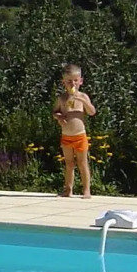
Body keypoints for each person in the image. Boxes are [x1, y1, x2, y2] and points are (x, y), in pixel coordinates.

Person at [52, 63, 96, 198]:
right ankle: (68, 189)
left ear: (81, 81)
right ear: (63, 82)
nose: (73, 84)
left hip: (79, 136)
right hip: (66, 135)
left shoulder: (83, 97)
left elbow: (92, 112)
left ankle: (86, 190)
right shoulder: (62, 98)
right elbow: (55, 112)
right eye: (69, 81)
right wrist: (59, 117)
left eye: (76, 81)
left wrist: (83, 101)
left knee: (82, 163)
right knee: (69, 164)